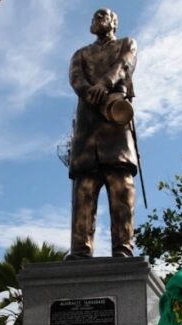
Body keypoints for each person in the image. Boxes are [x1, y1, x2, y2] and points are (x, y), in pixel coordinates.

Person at [67, 8, 139, 259]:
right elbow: (76, 79)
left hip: (115, 125)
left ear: (114, 22)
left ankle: (123, 247)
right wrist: (91, 93)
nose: (96, 20)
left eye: (102, 16)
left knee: (121, 186)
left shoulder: (125, 44)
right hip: (88, 128)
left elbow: (124, 65)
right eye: (94, 17)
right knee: (84, 189)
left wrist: (104, 84)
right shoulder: (81, 54)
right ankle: (80, 249)